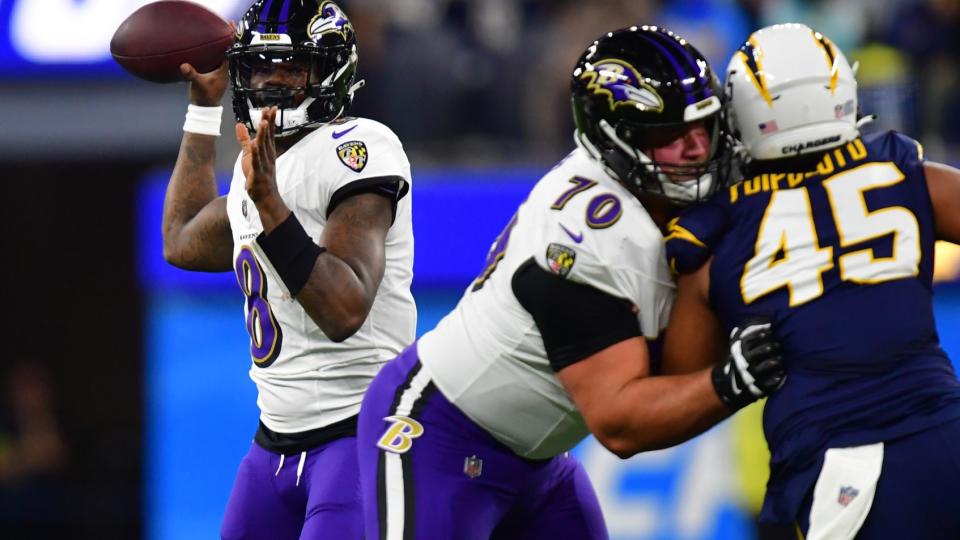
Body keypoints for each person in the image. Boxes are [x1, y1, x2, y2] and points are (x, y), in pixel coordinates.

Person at [356, 26, 785, 539]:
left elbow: (679, 366)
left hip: (536, 455)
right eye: (668, 135)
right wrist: (732, 381)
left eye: (705, 127)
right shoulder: (581, 241)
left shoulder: (664, 184)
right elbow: (619, 423)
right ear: (615, 140)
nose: (696, 148)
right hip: (439, 435)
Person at [664, 23, 960, 540]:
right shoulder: (908, 174)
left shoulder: (713, 237)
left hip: (843, 467)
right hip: (946, 432)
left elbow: (680, 386)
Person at [160, 1, 416, 538]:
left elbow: (345, 308)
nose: (273, 82)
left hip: (356, 434)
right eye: (259, 67)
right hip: (273, 441)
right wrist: (201, 112)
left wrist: (270, 206)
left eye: (292, 68)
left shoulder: (358, 146)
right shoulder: (260, 166)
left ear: (329, 72)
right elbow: (181, 241)